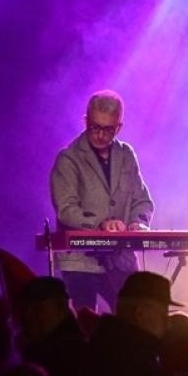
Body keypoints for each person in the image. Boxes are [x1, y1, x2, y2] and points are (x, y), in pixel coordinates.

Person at [49, 89, 156, 311]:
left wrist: (138, 222)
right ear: (86, 120)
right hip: (81, 261)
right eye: (95, 127)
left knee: (135, 316)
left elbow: (143, 201)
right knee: (86, 325)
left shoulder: (126, 155)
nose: (100, 135)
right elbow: (67, 209)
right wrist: (101, 224)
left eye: (108, 130)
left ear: (119, 127)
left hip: (121, 259)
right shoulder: (68, 158)